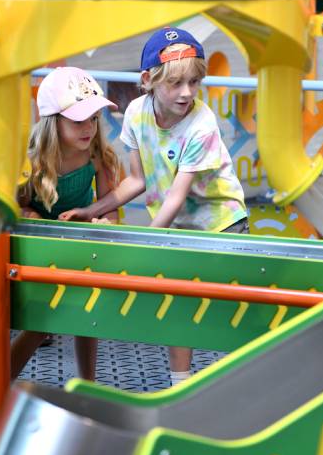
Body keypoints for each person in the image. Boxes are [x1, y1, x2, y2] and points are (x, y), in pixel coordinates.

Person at [60, 27, 248, 386]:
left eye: (194, 82)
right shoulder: (136, 113)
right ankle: (180, 385)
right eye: (175, 84)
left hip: (221, 223)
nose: (187, 92)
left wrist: (146, 238)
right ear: (148, 80)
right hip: (174, 226)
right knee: (177, 303)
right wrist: (93, 209)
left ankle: (236, 385)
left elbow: (176, 196)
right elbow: (137, 180)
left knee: (228, 312)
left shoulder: (202, 123)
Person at [11, 66, 120, 380]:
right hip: (41, 246)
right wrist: (30, 216)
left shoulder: (99, 156)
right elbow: (18, 207)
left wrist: (105, 222)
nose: (89, 128)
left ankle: (88, 381)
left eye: (94, 119)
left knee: (85, 314)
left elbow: (109, 206)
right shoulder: (33, 161)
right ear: (52, 122)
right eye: (78, 120)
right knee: (43, 319)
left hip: (80, 242)